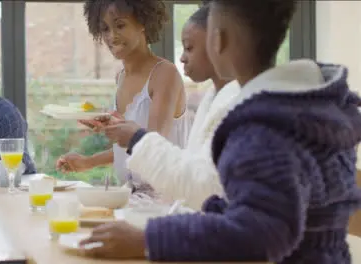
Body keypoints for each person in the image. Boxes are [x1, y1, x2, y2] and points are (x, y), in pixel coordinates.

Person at [78, 0, 361, 263]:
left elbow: (258, 234)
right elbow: (264, 207)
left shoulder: (261, 128)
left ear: (218, 39)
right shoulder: (312, 105)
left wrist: (147, 239)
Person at [97, 5, 240, 210]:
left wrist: (133, 136)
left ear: (217, 44)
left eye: (189, 48)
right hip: (139, 197)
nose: (182, 57)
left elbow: (203, 184)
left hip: (160, 201)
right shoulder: (211, 99)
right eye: (105, 29)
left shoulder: (230, 104)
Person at [56, 0, 190, 194]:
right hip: (131, 196)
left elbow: (154, 146)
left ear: (142, 22)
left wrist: (118, 128)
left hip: (165, 200)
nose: (112, 36)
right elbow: (128, 145)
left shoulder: (164, 74)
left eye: (120, 25)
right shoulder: (121, 78)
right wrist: (88, 161)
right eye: (105, 29)